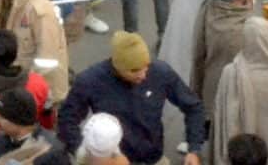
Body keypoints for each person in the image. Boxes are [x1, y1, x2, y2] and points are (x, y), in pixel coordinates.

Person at [57, 33, 205, 165]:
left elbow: (193, 106)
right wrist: (85, 154)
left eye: (146, 66)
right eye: (134, 70)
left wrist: (194, 148)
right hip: (114, 161)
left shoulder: (161, 73)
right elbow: (66, 120)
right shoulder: (90, 81)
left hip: (153, 159)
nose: (143, 75)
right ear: (117, 66)